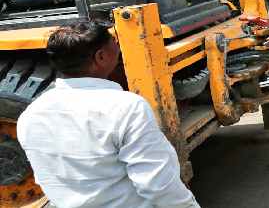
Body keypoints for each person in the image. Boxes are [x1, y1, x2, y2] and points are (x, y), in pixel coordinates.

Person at [17, 20, 199, 208]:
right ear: (101, 57)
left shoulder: (30, 115)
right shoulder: (126, 107)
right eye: (115, 42)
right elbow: (158, 184)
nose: (119, 48)